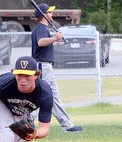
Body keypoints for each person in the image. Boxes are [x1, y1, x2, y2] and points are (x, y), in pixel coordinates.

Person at [31, 3, 83, 132]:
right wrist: (55, 38)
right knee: (40, 95)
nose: (52, 14)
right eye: (49, 12)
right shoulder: (41, 28)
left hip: (47, 66)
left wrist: (54, 39)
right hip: (41, 66)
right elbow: (40, 42)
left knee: (54, 97)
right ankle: (25, 123)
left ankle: (67, 125)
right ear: (43, 15)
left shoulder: (43, 28)